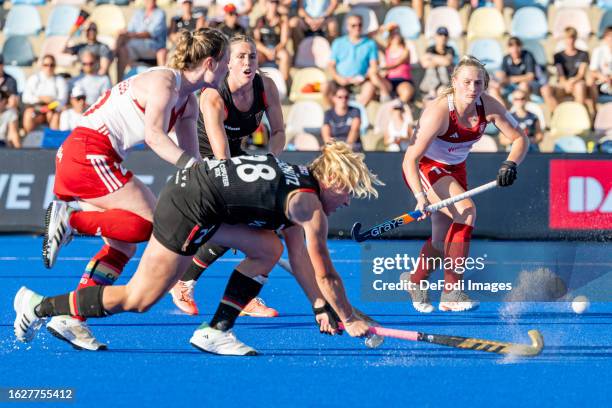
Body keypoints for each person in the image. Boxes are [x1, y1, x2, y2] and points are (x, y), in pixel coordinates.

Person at [15, 142, 383, 356]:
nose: (348, 201)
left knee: (268, 248)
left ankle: (217, 329)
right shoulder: (308, 205)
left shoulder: (298, 177)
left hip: (196, 193)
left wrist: (321, 305)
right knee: (139, 299)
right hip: (190, 207)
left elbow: (298, 257)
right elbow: (324, 271)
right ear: (332, 179)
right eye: (348, 190)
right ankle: (40, 306)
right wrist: (349, 317)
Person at [38, 28, 229, 351]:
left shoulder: (189, 103)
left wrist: (217, 193)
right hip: (88, 151)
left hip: (95, 153)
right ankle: (71, 219)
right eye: (225, 62)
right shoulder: (165, 83)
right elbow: (156, 138)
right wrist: (195, 170)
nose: (226, 70)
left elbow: (192, 162)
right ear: (210, 63)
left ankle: (72, 317)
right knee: (149, 225)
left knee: (124, 245)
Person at [170, 34, 286, 318]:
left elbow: (280, 133)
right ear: (228, 64)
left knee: (260, 226)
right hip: (203, 155)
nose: (248, 62)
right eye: (241, 57)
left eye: (252, 56)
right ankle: (183, 282)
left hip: (236, 151)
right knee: (234, 216)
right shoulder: (213, 95)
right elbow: (221, 158)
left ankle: (244, 295)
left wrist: (270, 162)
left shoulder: (266, 86)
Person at [402, 56, 528, 313]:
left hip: (456, 170)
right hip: (426, 168)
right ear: (455, 82)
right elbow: (409, 160)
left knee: (440, 242)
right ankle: (451, 291)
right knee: (467, 211)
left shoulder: (490, 106)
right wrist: (420, 197)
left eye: (478, 83)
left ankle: (414, 280)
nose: (473, 88)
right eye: (467, 82)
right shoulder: (438, 113)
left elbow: (520, 139)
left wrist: (510, 164)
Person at [328, 14, 389, 106]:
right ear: (347, 27)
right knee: (325, 87)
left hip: (361, 81)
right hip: (340, 81)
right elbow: (331, 65)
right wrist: (338, 78)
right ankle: (334, 114)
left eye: (360, 25)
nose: (357, 28)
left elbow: (373, 66)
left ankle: (357, 113)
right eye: (353, 25)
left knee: (370, 87)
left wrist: (363, 77)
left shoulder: (370, 43)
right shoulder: (338, 42)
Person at [490, 37, 555, 111]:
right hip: (512, 86)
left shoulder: (527, 55)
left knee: (523, 85)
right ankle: (505, 113)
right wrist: (500, 79)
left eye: (517, 49)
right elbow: (503, 76)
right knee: (493, 90)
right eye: (512, 49)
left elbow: (530, 76)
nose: (515, 51)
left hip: (530, 85)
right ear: (508, 49)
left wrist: (511, 79)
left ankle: (524, 114)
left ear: (521, 47)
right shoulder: (506, 58)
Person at [115, 0, 168, 82]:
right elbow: (130, 29)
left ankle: (113, 53)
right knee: (121, 43)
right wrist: (125, 33)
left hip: (153, 47)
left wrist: (131, 35)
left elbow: (150, 33)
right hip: (136, 46)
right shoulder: (138, 13)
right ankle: (118, 82)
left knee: (122, 39)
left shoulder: (160, 13)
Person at [22, 55, 68, 133]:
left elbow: (62, 100)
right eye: (46, 65)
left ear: (55, 66)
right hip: (36, 108)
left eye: (51, 65)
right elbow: (25, 97)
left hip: (52, 108)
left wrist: (50, 105)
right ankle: (28, 139)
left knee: (54, 116)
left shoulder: (60, 81)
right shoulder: (34, 79)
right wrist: (40, 98)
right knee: (28, 114)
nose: (49, 68)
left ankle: (53, 142)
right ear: (42, 66)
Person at [553, 27, 593, 115]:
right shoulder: (558, 56)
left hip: (577, 81)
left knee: (580, 87)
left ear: (575, 39)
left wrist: (572, 81)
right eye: (568, 38)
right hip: (564, 82)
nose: (570, 41)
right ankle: (559, 115)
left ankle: (579, 115)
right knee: (558, 89)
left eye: (572, 38)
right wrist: (566, 83)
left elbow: (581, 74)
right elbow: (561, 74)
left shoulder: (583, 54)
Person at [253, 0, 291, 82]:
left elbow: (284, 41)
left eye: (275, 2)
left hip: (277, 48)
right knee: (254, 56)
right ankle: (255, 82)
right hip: (263, 49)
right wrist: (266, 51)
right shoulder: (260, 20)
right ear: (266, 4)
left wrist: (275, 50)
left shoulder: (283, 19)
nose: (273, 5)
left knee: (285, 56)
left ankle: (282, 83)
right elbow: (256, 40)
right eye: (271, 2)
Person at [378, 23, 414, 105]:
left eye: (397, 33)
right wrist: (383, 29)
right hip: (389, 81)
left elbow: (397, 64)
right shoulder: (386, 49)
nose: (395, 35)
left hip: (402, 80)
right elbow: (373, 39)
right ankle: (386, 97)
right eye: (393, 33)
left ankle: (398, 107)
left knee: (406, 91)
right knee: (373, 74)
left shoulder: (405, 50)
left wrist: (383, 68)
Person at [321, 84, 361, 150]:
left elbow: (354, 130)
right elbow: (326, 136)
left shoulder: (355, 111)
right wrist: (334, 147)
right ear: (333, 98)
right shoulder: (328, 113)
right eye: (340, 97)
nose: (343, 99)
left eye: (346, 97)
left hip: (352, 147)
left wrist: (346, 146)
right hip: (334, 147)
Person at [420, 27, 455, 98]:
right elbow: (425, 64)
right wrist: (441, 61)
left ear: (448, 37)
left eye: (445, 35)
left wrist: (431, 56)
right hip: (431, 82)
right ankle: (432, 91)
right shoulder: (430, 48)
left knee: (442, 68)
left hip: (444, 82)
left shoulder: (450, 49)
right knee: (432, 69)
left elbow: (447, 62)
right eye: (440, 34)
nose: (443, 37)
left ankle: (432, 92)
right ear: (435, 36)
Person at [588, 26, 611, 103]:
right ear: (605, 37)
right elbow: (592, 71)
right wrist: (603, 77)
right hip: (602, 83)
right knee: (590, 80)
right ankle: (594, 111)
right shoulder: (598, 51)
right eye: (609, 36)